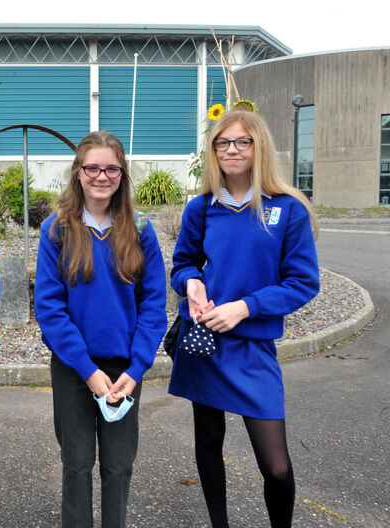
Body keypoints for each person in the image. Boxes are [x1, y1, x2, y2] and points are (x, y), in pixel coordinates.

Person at [169, 110, 320, 527]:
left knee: (277, 467)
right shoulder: (201, 208)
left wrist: (245, 307)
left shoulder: (287, 209)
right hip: (205, 343)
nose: (231, 150)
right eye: (222, 143)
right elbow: (182, 265)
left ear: (259, 147)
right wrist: (193, 285)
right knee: (209, 446)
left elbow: (303, 283)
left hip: (253, 348)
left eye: (242, 142)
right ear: (213, 150)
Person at [34, 131, 167, 527]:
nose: (101, 176)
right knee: (76, 465)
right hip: (75, 369)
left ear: (122, 174)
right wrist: (88, 371)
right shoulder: (56, 230)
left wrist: (137, 367)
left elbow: (154, 307)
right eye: (92, 167)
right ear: (78, 173)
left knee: (118, 465)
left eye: (111, 168)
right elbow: (50, 310)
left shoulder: (141, 229)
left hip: (124, 372)